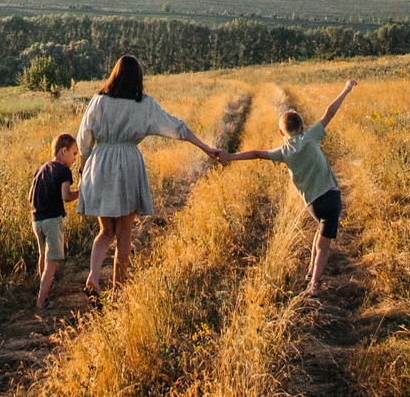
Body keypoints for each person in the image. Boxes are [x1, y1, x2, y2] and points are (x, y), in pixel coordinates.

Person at [74, 54, 227, 297]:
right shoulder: (143, 104)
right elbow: (178, 128)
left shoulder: (98, 100)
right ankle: (118, 291)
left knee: (105, 231)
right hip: (127, 165)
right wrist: (207, 148)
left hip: (100, 162)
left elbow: (84, 137)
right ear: (138, 78)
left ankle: (93, 275)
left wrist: (84, 168)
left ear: (114, 74)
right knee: (124, 232)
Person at [220, 79, 357, 293]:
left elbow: (256, 153)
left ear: (281, 134)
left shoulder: (283, 152)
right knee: (324, 244)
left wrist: (229, 157)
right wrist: (346, 89)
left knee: (320, 232)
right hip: (330, 197)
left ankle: (311, 271)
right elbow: (329, 112)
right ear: (302, 128)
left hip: (312, 203)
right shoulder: (311, 137)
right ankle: (314, 285)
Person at [29, 132, 79, 310]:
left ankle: (42, 293)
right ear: (64, 151)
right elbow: (66, 196)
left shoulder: (42, 169)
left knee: (43, 256)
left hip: (37, 219)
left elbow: (30, 195)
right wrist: (82, 192)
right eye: (74, 154)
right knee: (51, 262)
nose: (75, 159)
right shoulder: (64, 171)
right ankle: (41, 303)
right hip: (52, 220)